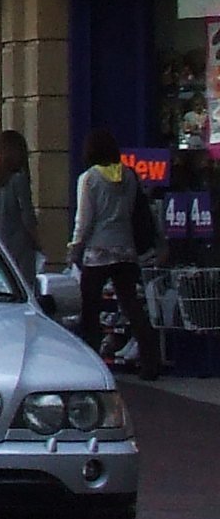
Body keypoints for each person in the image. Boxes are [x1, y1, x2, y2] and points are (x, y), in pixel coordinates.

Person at [67, 126, 162, 379]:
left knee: (90, 310)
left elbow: (84, 219)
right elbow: (134, 212)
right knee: (131, 305)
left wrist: (75, 247)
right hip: (125, 250)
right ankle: (150, 360)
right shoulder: (129, 176)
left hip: (97, 252)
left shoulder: (88, 179)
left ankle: (90, 361)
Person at [0, 128, 41, 288]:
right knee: (24, 289)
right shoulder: (18, 180)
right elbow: (27, 216)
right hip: (18, 246)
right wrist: (37, 243)